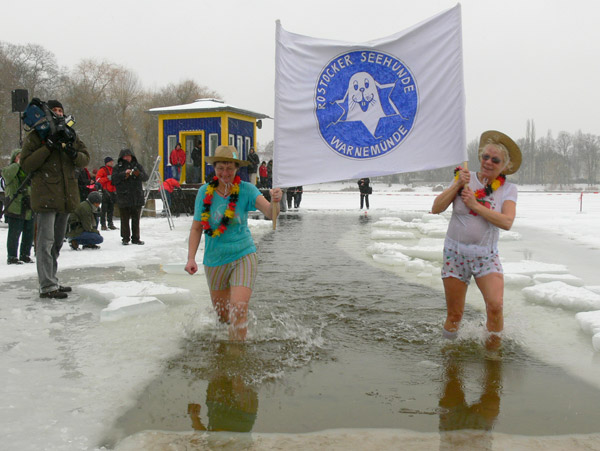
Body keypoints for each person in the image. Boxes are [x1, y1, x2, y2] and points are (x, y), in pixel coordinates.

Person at [431, 130, 521, 349]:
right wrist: (455, 185)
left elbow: (507, 222)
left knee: (495, 305)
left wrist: (475, 206)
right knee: (455, 314)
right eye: (485, 157)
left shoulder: (508, 190)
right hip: (455, 254)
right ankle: (450, 354)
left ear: (505, 166)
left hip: (486, 257)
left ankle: (492, 354)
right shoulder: (464, 178)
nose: (488, 162)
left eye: (495, 160)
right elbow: (436, 208)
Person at [185, 145, 282, 341]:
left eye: (230, 168)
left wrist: (276, 201)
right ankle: (228, 348)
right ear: (214, 167)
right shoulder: (204, 192)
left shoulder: (247, 190)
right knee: (223, 317)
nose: (225, 173)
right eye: (221, 168)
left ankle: (236, 356)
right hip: (215, 259)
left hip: (243, 254)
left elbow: (271, 214)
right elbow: (196, 228)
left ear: (237, 168)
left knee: (238, 309)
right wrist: (190, 258)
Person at [20, 99, 90, 299]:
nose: (59, 113)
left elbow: (85, 158)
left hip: (66, 196)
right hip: (45, 196)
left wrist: (72, 152)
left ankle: (52, 279)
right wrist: (48, 147)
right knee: (45, 242)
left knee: (57, 242)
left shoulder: (70, 134)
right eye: (55, 110)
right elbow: (26, 164)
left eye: (61, 110)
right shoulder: (37, 135)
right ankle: (47, 285)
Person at [112, 148, 149, 246]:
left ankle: (136, 238)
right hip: (124, 197)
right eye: (125, 156)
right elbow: (113, 180)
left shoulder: (137, 166)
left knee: (136, 219)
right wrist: (124, 174)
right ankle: (125, 238)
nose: (127, 158)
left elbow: (145, 177)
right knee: (124, 219)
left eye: (129, 156)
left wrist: (138, 174)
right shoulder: (117, 167)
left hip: (136, 196)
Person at [3, 149, 34, 265]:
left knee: (28, 232)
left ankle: (25, 254)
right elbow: (6, 175)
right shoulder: (11, 169)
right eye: (19, 156)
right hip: (15, 205)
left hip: (28, 205)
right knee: (14, 233)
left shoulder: (28, 171)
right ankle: (12, 256)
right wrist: (17, 164)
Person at [95, 156, 118, 230]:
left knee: (111, 209)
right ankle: (103, 224)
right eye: (110, 161)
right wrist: (107, 178)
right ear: (107, 162)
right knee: (104, 209)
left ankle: (110, 223)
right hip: (105, 191)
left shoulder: (114, 170)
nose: (112, 162)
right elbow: (98, 180)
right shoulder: (102, 170)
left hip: (113, 191)